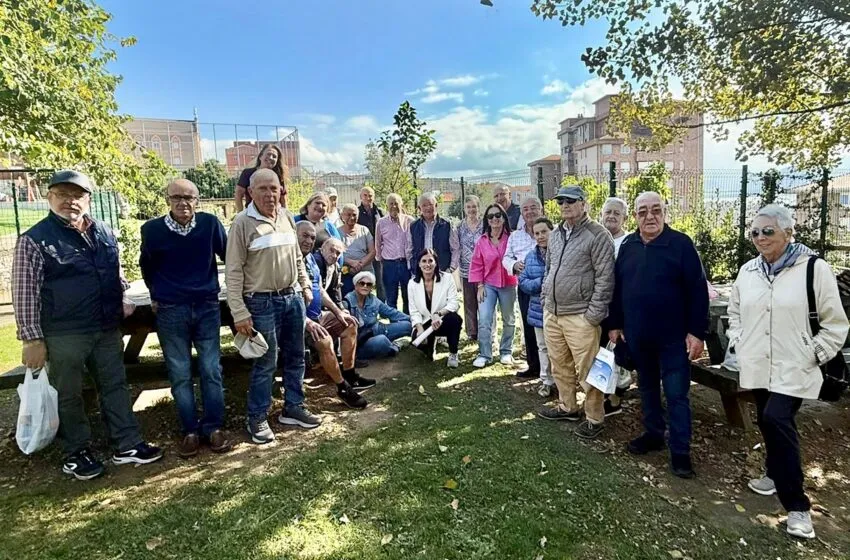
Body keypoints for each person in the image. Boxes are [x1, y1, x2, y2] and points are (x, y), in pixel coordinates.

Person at [13, 170, 163, 480]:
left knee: (115, 386)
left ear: (88, 199)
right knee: (68, 394)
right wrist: (32, 339)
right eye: (62, 194)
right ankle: (76, 451)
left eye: (77, 195)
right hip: (64, 333)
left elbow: (113, 270)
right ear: (49, 197)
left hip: (105, 327)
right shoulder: (34, 240)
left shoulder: (103, 231)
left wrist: (122, 294)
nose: (70, 200)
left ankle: (127, 444)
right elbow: (24, 292)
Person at [727, 204, 848, 540]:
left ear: (788, 233)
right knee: (767, 417)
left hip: (795, 366)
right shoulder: (748, 271)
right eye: (755, 232)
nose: (760, 237)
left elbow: (836, 322)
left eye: (768, 231)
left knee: (777, 418)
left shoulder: (813, 269)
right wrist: (739, 340)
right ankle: (772, 472)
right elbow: (735, 311)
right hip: (758, 364)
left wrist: (814, 354)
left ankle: (797, 507)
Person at [608, 191, 708, 478]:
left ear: (665, 212)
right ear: (635, 216)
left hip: (674, 338)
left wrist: (696, 332)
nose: (649, 217)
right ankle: (653, 434)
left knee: (677, 395)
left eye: (655, 210)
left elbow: (698, 291)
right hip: (638, 336)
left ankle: (680, 452)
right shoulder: (628, 245)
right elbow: (618, 288)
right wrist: (615, 324)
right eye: (642, 212)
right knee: (648, 389)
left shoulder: (681, 245)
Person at [225, 168, 319, 444]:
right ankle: (257, 418)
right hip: (260, 301)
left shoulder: (287, 217)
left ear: (281, 190)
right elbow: (233, 272)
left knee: (296, 356)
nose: (269, 194)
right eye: (263, 189)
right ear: (251, 192)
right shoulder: (243, 223)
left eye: (274, 188)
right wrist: (239, 312)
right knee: (266, 362)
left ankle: (293, 407)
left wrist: (304, 285)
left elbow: (297, 257)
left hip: (292, 298)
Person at [140, 179, 231, 458]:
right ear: (167, 199)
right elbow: (147, 267)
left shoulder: (210, 225)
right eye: (177, 197)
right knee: (179, 373)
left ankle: (214, 427)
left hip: (206, 306)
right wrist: (157, 295)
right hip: (170, 309)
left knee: (211, 369)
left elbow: (228, 256)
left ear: (197, 200)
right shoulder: (152, 230)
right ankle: (190, 430)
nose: (183, 203)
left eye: (189, 197)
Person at [537, 186, 614, 442]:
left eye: (571, 201)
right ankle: (567, 407)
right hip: (553, 312)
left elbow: (605, 278)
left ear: (583, 203)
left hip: (581, 315)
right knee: (559, 364)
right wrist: (545, 297)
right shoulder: (557, 234)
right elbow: (549, 268)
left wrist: (592, 316)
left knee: (589, 369)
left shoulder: (598, 235)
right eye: (561, 202)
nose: (565, 206)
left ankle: (595, 418)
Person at [297, 223, 372, 407]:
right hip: (298, 320)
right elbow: (290, 298)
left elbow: (320, 290)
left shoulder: (310, 261)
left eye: (312, 238)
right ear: (322, 249)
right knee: (325, 340)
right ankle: (342, 388)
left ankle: (350, 375)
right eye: (304, 236)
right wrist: (307, 322)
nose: (308, 241)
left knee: (350, 324)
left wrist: (339, 313)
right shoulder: (291, 261)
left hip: (317, 316)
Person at [468, 203, 517, 368]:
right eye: (491, 216)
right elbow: (476, 264)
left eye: (498, 215)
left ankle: (506, 351)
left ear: (503, 218)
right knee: (484, 318)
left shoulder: (512, 238)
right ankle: (484, 354)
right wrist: (480, 285)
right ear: (487, 220)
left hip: (508, 284)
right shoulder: (481, 241)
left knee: (509, 318)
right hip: (488, 285)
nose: (494, 219)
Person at [503, 197, 544, 379]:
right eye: (526, 209)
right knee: (529, 326)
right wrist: (513, 265)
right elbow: (505, 257)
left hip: (548, 288)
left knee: (550, 329)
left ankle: (550, 370)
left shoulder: (551, 231)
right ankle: (534, 366)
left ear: (541, 209)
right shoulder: (515, 236)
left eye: (533, 208)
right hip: (526, 288)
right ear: (522, 213)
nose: (529, 212)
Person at [519, 218, 557, 398]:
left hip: (560, 309)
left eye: (544, 232)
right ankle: (546, 381)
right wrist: (541, 282)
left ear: (552, 231)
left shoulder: (561, 252)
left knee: (560, 348)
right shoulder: (530, 256)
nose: (541, 236)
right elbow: (523, 283)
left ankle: (563, 382)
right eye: (537, 233)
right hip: (538, 309)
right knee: (542, 347)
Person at [600, 197, 630, 416]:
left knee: (619, 354)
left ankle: (616, 397)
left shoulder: (630, 242)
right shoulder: (596, 238)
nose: (611, 216)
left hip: (621, 307)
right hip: (598, 307)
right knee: (601, 353)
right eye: (608, 212)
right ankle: (602, 395)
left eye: (616, 213)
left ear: (625, 218)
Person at [407, 249, 463, 367]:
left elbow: (454, 303)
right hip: (426, 323)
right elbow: (414, 310)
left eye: (430, 261)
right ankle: (430, 347)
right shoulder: (412, 284)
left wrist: (439, 314)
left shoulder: (447, 278)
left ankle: (453, 353)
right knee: (416, 341)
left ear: (436, 263)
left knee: (455, 319)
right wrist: (420, 329)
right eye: (424, 261)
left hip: (443, 320)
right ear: (419, 264)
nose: (427, 264)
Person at [344, 271, 412, 359]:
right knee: (381, 341)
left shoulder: (373, 299)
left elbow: (391, 313)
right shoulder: (347, 302)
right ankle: (395, 346)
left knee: (408, 325)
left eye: (368, 284)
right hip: (361, 340)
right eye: (362, 283)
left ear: (371, 287)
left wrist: (416, 321)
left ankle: (424, 342)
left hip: (378, 329)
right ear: (355, 285)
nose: (365, 286)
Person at [375, 193, 413, 314]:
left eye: (396, 203)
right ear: (387, 205)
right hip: (389, 264)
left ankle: (408, 323)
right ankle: (395, 325)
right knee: (391, 297)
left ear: (401, 204)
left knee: (408, 296)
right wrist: (381, 260)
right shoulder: (381, 223)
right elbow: (378, 242)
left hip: (405, 264)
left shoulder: (410, 221)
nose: (394, 206)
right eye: (391, 203)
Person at [406, 192, 459, 275]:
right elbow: (409, 250)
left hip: (442, 273)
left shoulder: (447, 225)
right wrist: (412, 268)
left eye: (430, 204)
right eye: (424, 205)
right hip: (420, 273)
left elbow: (455, 249)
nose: (428, 208)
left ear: (436, 205)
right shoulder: (413, 227)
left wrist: (451, 269)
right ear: (419, 208)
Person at [457, 195, 483, 341]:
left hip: (482, 271)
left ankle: (485, 330)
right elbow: (457, 246)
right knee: (469, 302)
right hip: (466, 270)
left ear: (478, 208)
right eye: (468, 207)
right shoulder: (460, 226)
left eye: (474, 206)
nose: (471, 210)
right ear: (464, 209)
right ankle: (472, 333)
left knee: (483, 301)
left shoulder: (485, 225)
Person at [339, 203, 376, 297]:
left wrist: (360, 264)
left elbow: (373, 251)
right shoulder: (337, 232)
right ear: (342, 216)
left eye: (354, 215)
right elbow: (337, 253)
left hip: (365, 271)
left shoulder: (364, 230)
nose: (351, 217)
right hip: (346, 272)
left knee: (365, 300)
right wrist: (351, 263)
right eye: (348, 214)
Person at [235, 144, 286, 211]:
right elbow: (238, 194)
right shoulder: (247, 173)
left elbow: (283, 198)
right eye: (268, 154)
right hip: (252, 214)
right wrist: (240, 213)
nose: (271, 158)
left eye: (274, 156)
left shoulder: (278, 176)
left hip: (273, 213)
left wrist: (285, 215)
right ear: (260, 156)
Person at [357, 186, 385, 300]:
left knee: (380, 280)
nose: (368, 198)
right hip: (364, 251)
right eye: (365, 195)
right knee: (365, 279)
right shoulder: (357, 212)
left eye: (370, 196)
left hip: (379, 251)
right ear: (360, 197)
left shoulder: (380, 212)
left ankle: (382, 306)